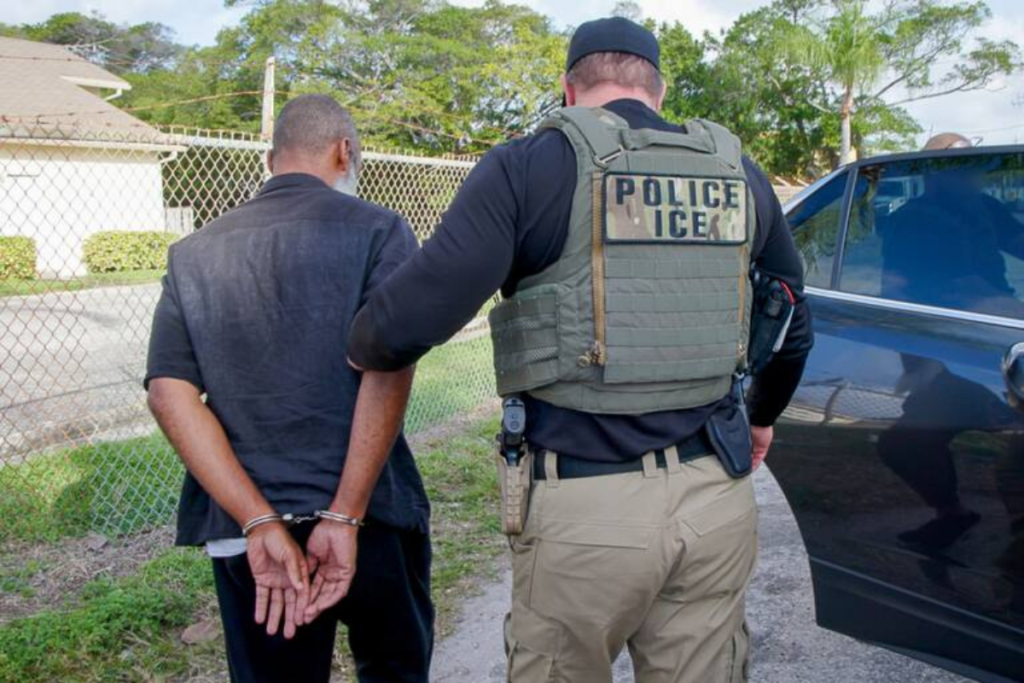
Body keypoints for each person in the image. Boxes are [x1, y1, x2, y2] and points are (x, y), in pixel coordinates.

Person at [348, 17, 812, 683]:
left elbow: (409, 320)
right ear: (658, 90)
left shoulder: (528, 166)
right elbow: (791, 314)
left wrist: (359, 343)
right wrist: (761, 417)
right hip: (715, 495)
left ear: (569, 89)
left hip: (585, 508)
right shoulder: (734, 170)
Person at [145, 94, 433, 683]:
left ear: (271, 159)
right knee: (395, 668)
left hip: (248, 530)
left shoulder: (192, 254)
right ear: (345, 152)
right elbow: (388, 364)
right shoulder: (380, 231)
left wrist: (258, 521)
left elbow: (168, 393)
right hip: (371, 513)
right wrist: (345, 515)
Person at [881, 132, 1024, 316]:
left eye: (975, 166)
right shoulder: (914, 219)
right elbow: (965, 288)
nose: (976, 175)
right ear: (933, 172)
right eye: (962, 168)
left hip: (995, 307)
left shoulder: (985, 206)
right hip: (948, 319)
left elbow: (1017, 240)